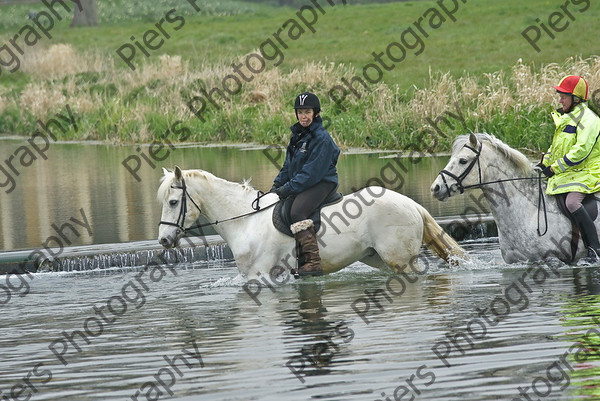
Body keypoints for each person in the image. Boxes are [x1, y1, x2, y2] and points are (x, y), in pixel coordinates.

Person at [271, 92, 341, 276]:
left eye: (307, 112)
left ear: (315, 113)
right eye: (300, 112)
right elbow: (287, 167)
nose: (303, 116)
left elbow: (310, 174)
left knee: (297, 211)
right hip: (305, 182)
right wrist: (275, 188)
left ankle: (312, 262)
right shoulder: (297, 136)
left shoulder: (321, 138)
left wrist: (287, 189)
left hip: (322, 182)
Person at [538, 75, 600, 261]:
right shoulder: (567, 119)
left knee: (572, 203)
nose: (560, 99)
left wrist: (554, 169)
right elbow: (556, 148)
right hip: (572, 172)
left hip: (590, 171)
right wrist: (545, 163)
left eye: (564, 96)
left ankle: (595, 251)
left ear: (576, 98)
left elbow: (581, 151)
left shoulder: (589, 119)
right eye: (560, 95)